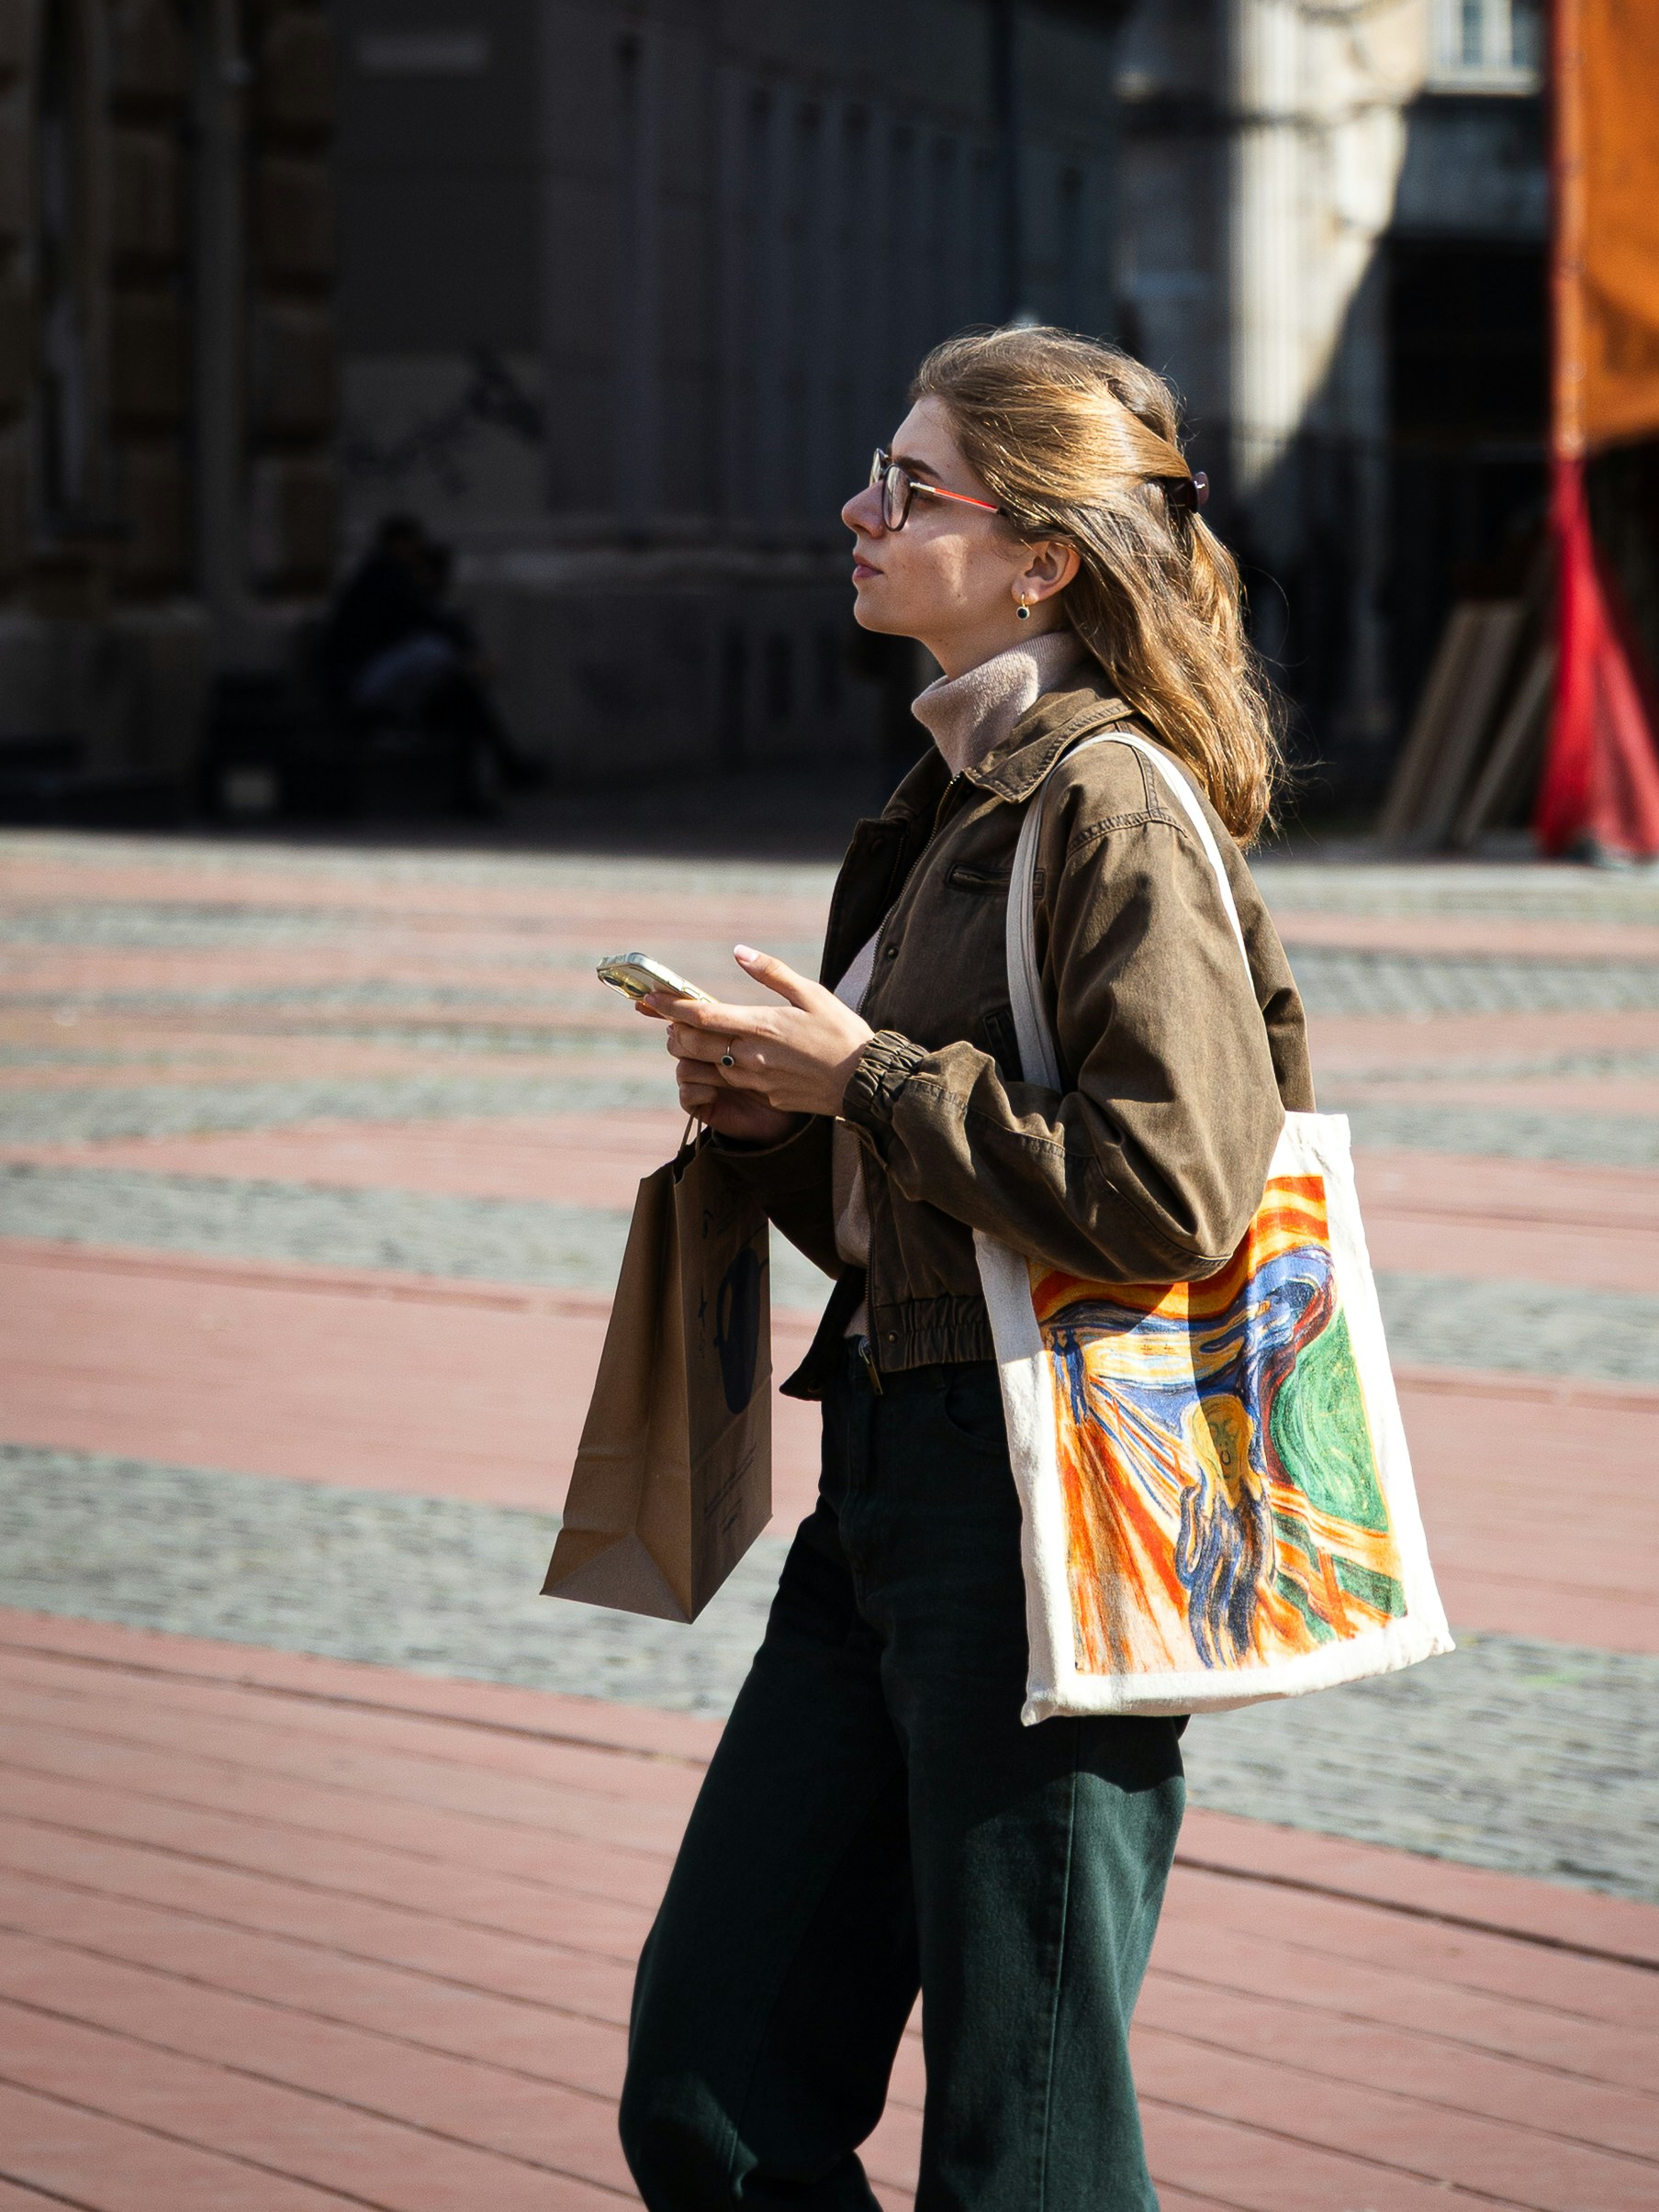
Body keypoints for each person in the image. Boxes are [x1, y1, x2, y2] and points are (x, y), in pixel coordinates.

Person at [619, 328, 1314, 2211]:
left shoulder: (1101, 802)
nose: (855, 509)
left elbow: (1174, 1188)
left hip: (1037, 1505)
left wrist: (872, 1077)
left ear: (1038, 560)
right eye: (877, 471)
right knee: (711, 2092)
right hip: (888, 1487)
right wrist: (779, 1124)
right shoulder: (952, 795)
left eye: (907, 487)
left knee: (1021, 2148)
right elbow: (916, 1205)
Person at [319, 513, 543, 810]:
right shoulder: (384, 574)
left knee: (461, 695)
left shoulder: (383, 576)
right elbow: (430, 621)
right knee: (434, 652)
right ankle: (505, 768)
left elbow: (426, 621)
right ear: (402, 544)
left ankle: (495, 775)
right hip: (362, 689)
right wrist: (472, 655)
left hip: (378, 684)